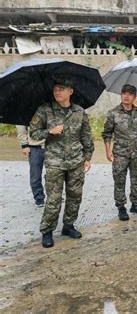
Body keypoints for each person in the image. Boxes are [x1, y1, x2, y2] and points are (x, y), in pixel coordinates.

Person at [29, 77, 94, 248]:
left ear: (70, 91)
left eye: (62, 88)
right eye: (55, 88)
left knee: (75, 196)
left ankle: (68, 226)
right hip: (55, 162)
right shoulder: (45, 110)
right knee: (54, 198)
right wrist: (49, 131)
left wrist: (87, 157)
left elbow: (86, 136)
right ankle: (47, 231)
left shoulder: (79, 111)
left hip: (76, 161)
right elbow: (33, 133)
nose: (57, 91)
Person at [102, 84, 137, 221]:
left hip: (136, 153)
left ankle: (136, 204)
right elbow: (107, 133)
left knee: (136, 179)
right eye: (124, 93)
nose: (126, 96)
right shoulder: (113, 113)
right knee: (119, 180)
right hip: (120, 154)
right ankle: (121, 207)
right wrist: (108, 151)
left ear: (134, 97)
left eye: (130, 94)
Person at [16, 125, 46, 206]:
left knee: (55, 174)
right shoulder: (26, 112)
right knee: (35, 175)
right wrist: (24, 145)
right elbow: (21, 127)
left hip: (54, 145)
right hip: (35, 147)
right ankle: (39, 198)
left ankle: (53, 197)